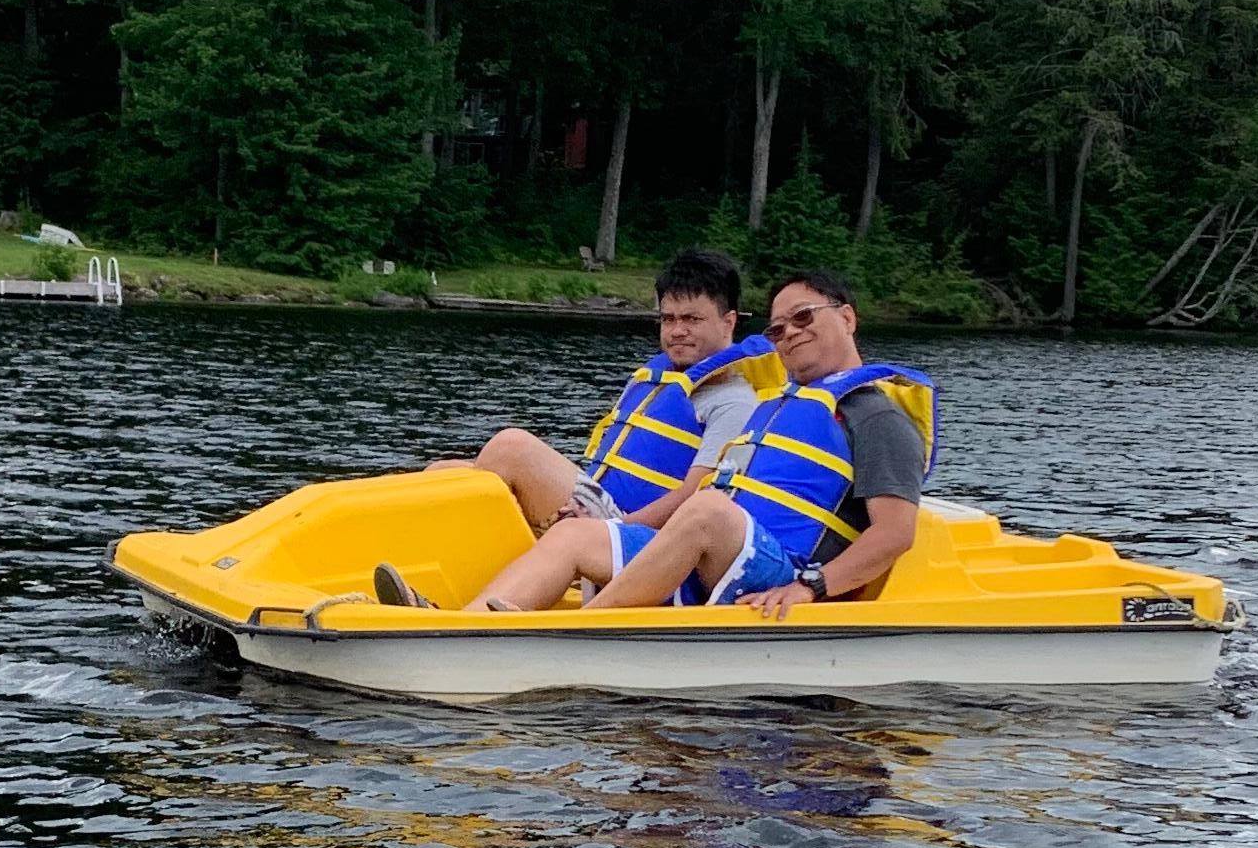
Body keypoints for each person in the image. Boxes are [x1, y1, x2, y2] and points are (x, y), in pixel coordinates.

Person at [440, 266, 931, 619]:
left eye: (804, 317)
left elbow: (894, 534)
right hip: (714, 550)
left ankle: (580, 630)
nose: (789, 335)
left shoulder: (877, 415)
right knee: (575, 535)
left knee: (707, 509)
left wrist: (810, 587)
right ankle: (469, 624)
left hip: (781, 569)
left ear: (846, 318)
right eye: (778, 328)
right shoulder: (777, 405)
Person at [374, 250, 771, 607]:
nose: (677, 330)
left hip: (642, 533)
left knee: (510, 447)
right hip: (599, 506)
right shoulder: (659, 378)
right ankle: (428, 585)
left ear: (728, 321)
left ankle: (460, 621)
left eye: (692, 319)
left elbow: (693, 498)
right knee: (445, 476)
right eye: (668, 319)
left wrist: (609, 525)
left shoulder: (732, 402)